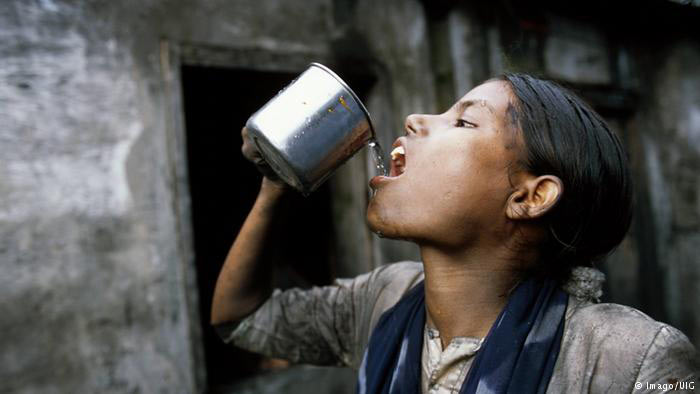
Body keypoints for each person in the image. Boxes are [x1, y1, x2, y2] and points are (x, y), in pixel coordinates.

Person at [210, 74, 698, 393]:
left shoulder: (633, 360)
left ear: (530, 197)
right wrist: (277, 183)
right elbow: (241, 318)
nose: (415, 121)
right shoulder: (383, 301)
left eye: (463, 121)